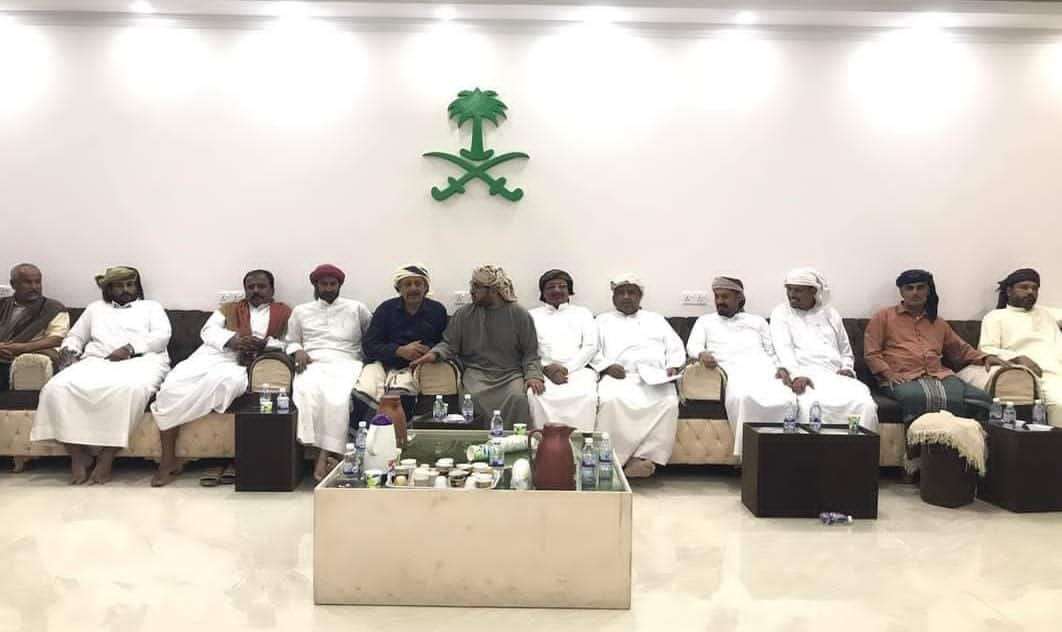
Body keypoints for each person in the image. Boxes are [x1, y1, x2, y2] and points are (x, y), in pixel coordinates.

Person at [150, 269, 291, 486]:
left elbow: (290, 341)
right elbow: (208, 331)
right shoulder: (230, 308)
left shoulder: (284, 312)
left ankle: (224, 459)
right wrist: (233, 340)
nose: (255, 291)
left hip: (246, 360)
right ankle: (168, 459)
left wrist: (264, 343)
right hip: (216, 353)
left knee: (228, 383)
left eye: (261, 286)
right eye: (251, 287)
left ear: (272, 290)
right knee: (173, 386)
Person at [31, 266, 171, 484]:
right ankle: (77, 455)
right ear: (108, 289)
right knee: (55, 388)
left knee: (130, 389)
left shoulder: (151, 307)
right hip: (97, 361)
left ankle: (107, 457)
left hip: (142, 361)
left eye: (130, 284)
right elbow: (75, 337)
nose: (126, 290)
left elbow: (162, 337)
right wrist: (69, 353)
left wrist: (130, 348)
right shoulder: (95, 309)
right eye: (119, 286)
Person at [864, 269, 1003, 424]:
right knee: (916, 397)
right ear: (901, 292)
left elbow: (960, 349)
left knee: (983, 400)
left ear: (928, 290)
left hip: (940, 376)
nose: (915, 293)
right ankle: (925, 436)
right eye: (909, 288)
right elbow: (872, 353)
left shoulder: (937, 322)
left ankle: (965, 436)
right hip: (902, 377)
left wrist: (985, 358)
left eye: (920, 287)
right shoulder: (883, 317)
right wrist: (889, 373)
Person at [411, 265, 543, 427]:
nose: (472, 291)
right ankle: (479, 440)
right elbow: (449, 344)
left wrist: (533, 375)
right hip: (476, 373)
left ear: (493, 290)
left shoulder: (519, 314)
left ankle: (514, 440)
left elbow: (530, 352)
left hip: (510, 374)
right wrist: (434, 354)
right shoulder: (464, 314)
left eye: (477, 287)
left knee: (518, 398)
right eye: (472, 285)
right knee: (471, 398)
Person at [687, 276, 796, 457]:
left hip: (764, 369)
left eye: (725, 297)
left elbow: (771, 350)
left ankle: (783, 455)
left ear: (739, 298)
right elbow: (693, 346)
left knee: (787, 399)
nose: (719, 301)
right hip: (732, 370)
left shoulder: (757, 321)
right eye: (717, 296)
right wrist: (701, 354)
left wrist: (781, 367)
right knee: (743, 398)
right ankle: (750, 456)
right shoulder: (705, 321)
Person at [591, 274, 684, 478]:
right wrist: (606, 367)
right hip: (619, 376)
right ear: (613, 297)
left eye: (631, 292)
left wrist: (673, 366)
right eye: (621, 293)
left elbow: (675, 346)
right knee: (610, 401)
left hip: (656, 377)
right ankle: (609, 460)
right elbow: (592, 350)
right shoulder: (602, 320)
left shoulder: (656, 319)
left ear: (640, 296)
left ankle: (641, 459)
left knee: (668, 402)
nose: (626, 297)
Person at [287, 264, 372, 480]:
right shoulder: (301, 311)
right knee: (307, 392)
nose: (328, 288)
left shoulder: (356, 308)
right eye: (323, 284)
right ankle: (329, 456)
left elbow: (371, 337)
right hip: (313, 362)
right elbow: (291, 340)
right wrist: (297, 351)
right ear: (315, 285)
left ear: (339, 285)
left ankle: (324, 456)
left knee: (340, 397)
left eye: (332, 284)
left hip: (347, 361)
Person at [769, 267, 878, 430]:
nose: (791, 294)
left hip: (835, 375)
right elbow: (784, 349)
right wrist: (797, 375)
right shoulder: (781, 313)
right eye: (789, 289)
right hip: (805, 374)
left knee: (864, 403)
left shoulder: (830, 314)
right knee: (812, 405)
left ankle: (856, 444)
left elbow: (845, 350)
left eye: (797, 290)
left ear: (813, 291)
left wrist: (847, 368)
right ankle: (818, 446)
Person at [964, 268, 1062, 425]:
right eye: (1024, 287)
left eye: (1035, 288)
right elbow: (986, 348)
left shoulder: (1046, 313)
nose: (1030, 292)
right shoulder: (996, 317)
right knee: (1059, 402)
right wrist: (1016, 357)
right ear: (1009, 291)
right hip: (1037, 374)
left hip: (1058, 369)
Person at [356, 264, 448, 410]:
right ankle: (370, 425)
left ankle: (396, 424)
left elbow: (445, 343)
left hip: (416, 366)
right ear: (399, 289)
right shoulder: (386, 309)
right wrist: (399, 350)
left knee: (400, 395)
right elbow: (369, 345)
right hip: (381, 364)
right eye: (407, 284)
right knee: (364, 391)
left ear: (426, 287)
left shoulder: (437, 310)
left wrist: (429, 350)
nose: (413, 288)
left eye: (418, 284)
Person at [528, 269, 598, 431]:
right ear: (543, 292)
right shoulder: (531, 315)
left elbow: (590, 346)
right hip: (543, 371)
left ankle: (580, 442)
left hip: (578, 370)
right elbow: (528, 349)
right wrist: (546, 369)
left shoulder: (582, 313)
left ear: (569, 290)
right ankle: (542, 441)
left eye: (562, 286)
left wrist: (566, 368)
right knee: (535, 395)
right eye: (550, 287)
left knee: (587, 397)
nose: (557, 290)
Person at [0, 263, 69, 390]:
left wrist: (22, 348)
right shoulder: (2, 304)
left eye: (37, 282)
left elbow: (56, 338)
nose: (34, 287)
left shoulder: (53, 308)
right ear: (13, 284)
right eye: (27, 282)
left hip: (21, 360)